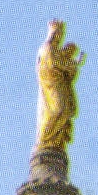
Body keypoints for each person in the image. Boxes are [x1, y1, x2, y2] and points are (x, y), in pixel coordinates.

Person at [35, 20, 85, 151]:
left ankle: (57, 140)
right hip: (51, 85)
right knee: (56, 111)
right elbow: (51, 63)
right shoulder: (47, 48)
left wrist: (70, 69)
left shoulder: (57, 51)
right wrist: (68, 66)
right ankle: (44, 140)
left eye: (60, 35)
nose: (58, 37)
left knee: (65, 111)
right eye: (56, 34)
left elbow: (64, 67)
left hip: (60, 85)